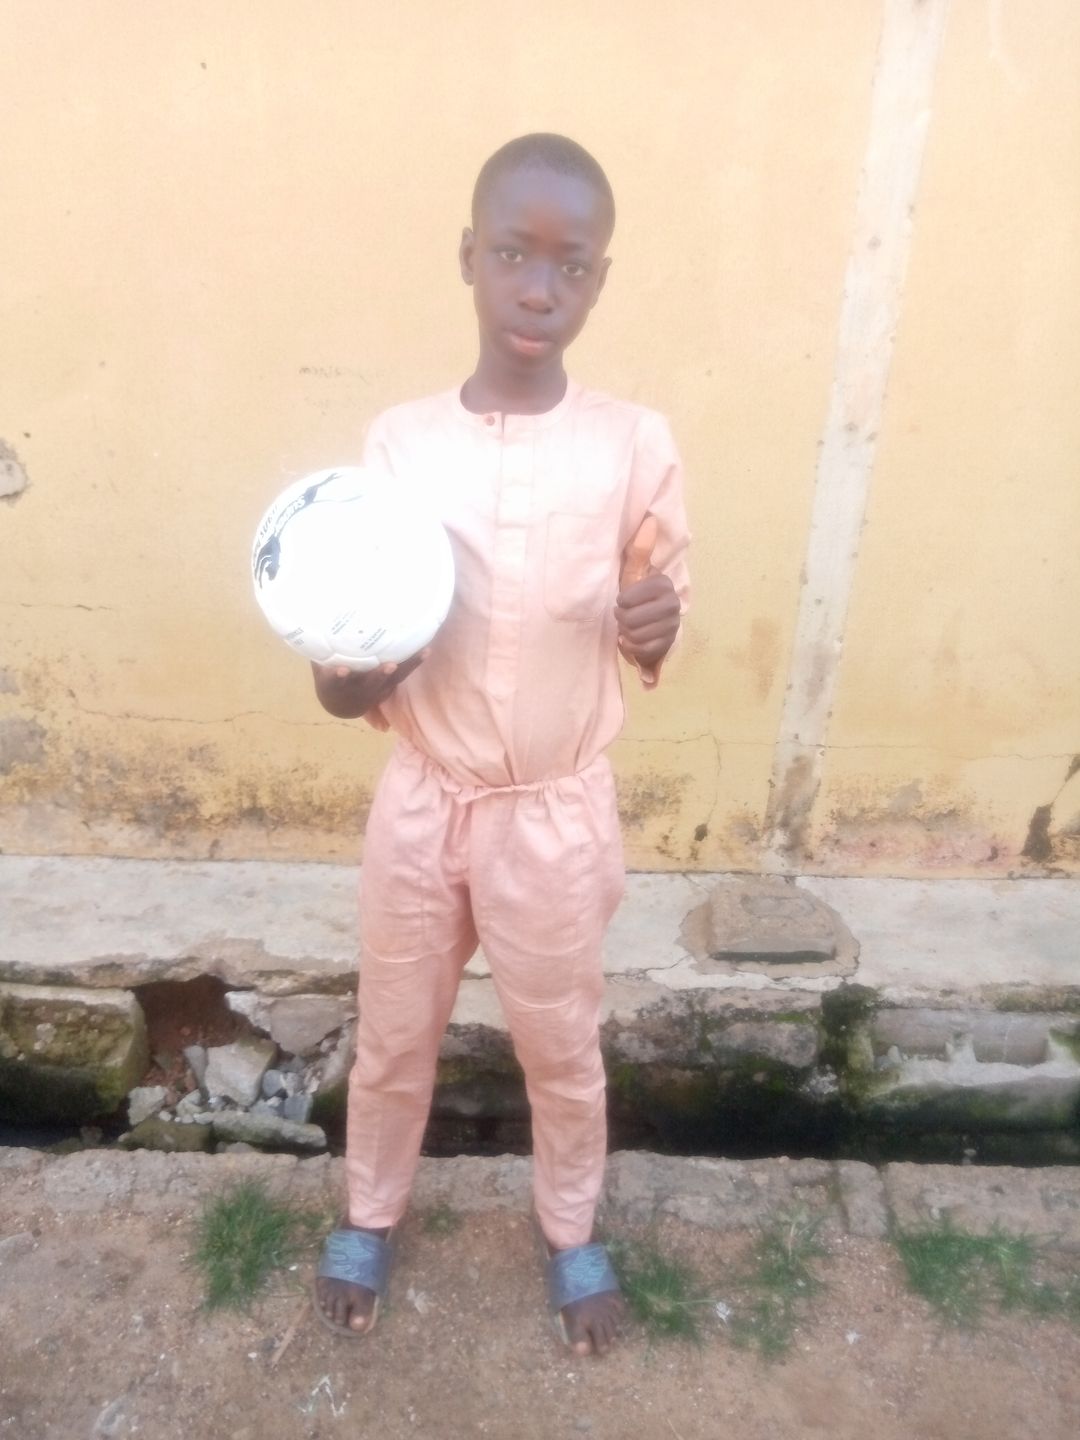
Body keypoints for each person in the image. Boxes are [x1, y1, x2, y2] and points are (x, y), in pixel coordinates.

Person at [311, 133, 690, 1357]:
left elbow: (659, 605)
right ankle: (370, 1212)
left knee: (561, 1046)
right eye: (516, 255)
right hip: (424, 803)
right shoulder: (401, 444)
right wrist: (349, 676)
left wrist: (657, 622)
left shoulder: (633, 444)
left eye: (571, 266)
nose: (540, 289)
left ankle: (571, 1229)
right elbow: (343, 658)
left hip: (553, 819)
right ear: (468, 257)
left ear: (600, 281)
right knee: (393, 1033)